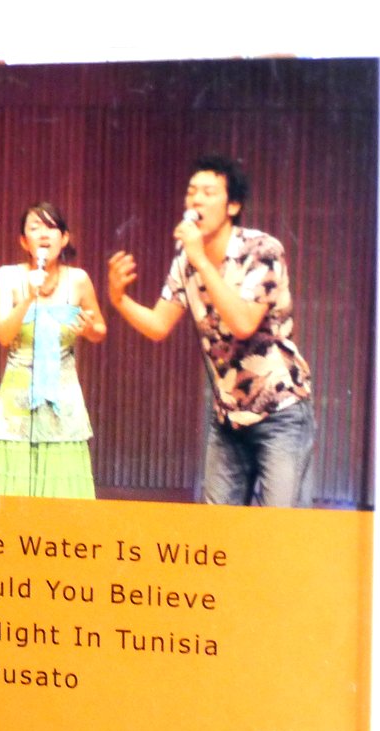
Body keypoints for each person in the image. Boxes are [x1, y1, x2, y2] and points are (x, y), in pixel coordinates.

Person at [107, 154, 314, 508]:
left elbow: (243, 323)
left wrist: (200, 260)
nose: (196, 200)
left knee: (280, 529)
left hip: (280, 411)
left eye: (208, 192)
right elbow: (158, 325)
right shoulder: (186, 261)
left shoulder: (262, 250)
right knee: (217, 529)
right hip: (228, 417)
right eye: (191, 192)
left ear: (233, 205)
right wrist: (119, 299)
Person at [0, 202, 106, 498]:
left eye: (51, 227)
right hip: (18, 397)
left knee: (62, 495)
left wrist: (87, 328)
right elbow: (3, 335)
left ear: (64, 238)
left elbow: (99, 329)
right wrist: (28, 297)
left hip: (63, 398)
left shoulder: (78, 279)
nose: (44, 234)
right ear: (23, 241)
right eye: (35, 228)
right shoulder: (8, 276)